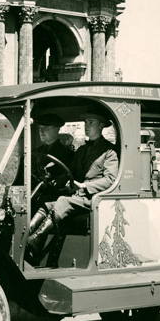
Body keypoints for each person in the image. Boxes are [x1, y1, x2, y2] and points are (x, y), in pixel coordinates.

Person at [27, 110, 118, 257]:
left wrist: (84, 186)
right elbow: (70, 172)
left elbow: (110, 180)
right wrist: (62, 181)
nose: (86, 126)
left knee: (63, 200)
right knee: (46, 202)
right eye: (85, 123)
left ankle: (37, 238)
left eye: (91, 123)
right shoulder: (82, 150)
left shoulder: (109, 151)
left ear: (101, 126)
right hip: (78, 197)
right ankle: (28, 232)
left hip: (95, 199)